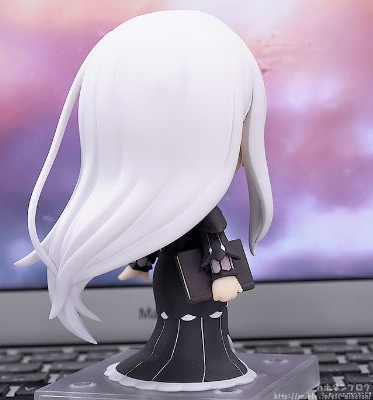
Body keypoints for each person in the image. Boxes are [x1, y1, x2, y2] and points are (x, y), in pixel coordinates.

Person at [15, 10, 273, 391]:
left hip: (200, 283)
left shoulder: (202, 215)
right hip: (177, 280)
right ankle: (171, 356)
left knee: (198, 329)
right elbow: (156, 233)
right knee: (175, 321)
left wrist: (222, 275)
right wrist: (140, 260)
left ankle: (198, 360)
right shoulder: (167, 211)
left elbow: (214, 241)